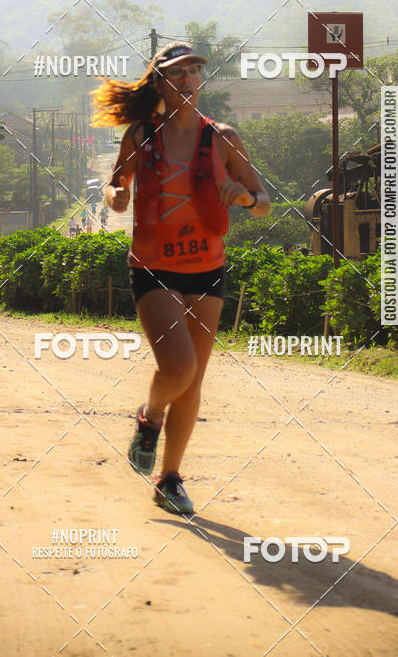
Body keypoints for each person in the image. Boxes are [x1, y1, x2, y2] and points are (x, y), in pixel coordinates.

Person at [94, 41, 270, 514]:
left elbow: (263, 198)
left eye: (195, 71)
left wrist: (244, 198)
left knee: (193, 384)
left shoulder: (223, 138)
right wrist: (116, 197)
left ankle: (169, 479)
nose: (189, 79)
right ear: (160, 83)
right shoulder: (140, 135)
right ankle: (150, 418)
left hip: (207, 268)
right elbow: (115, 182)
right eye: (178, 73)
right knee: (178, 367)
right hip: (154, 267)